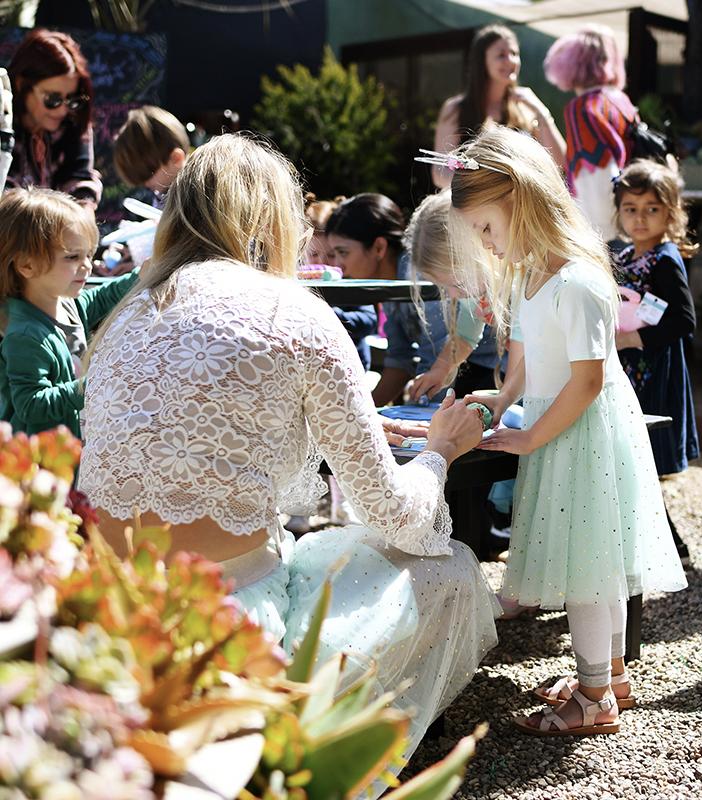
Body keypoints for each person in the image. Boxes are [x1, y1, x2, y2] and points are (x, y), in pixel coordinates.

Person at [78, 134, 499, 767]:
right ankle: (322, 752)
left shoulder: (123, 317)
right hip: (233, 623)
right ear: (271, 218)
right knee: (453, 568)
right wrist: (439, 450)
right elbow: (396, 515)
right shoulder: (295, 312)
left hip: (111, 613)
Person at [444, 126, 686, 735]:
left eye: (487, 229)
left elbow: (587, 381)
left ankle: (594, 697)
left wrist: (529, 436)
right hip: (561, 426)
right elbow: (528, 353)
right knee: (595, 562)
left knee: (585, 569)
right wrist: (504, 396)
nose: (485, 244)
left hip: (578, 433)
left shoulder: (577, 282)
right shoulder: (535, 275)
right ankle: (608, 675)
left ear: (521, 203)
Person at [326, 192, 497, 406]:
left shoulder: (423, 270)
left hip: (484, 372)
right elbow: (402, 356)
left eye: (343, 252)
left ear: (379, 247)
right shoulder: (388, 288)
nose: (338, 265)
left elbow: (436, 350)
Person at [613, 159, 699, 566]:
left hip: (653, 370)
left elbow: (684, 319)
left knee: (639, 456)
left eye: (651, 209)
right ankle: (657, 543)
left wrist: (634, 338)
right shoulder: (626, 254)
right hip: (630, 368)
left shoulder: (665, 259)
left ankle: (668, 546)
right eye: (631, 208)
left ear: (670, 213)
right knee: (631, 457)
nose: (640, 218)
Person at [0, 188, 138, 439]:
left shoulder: (67, 304)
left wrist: (142, 275)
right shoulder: (25, 335)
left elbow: (103, 296)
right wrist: (91, 386)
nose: (86, 265)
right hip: (41, 463)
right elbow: (31, 404)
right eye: (73, 256)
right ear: (26, 265)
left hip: (72, 444)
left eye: (89, 254)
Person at [432, 24, 565, 189]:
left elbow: (560, 164)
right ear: (482, 60)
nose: (511, 61)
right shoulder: (456, 109)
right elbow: (440, 173)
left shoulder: (526, 108)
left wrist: (542, 112)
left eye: (515, 54)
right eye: (501, 55)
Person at [405, 190, 503, 401]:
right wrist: (440, 371)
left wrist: (507, 398)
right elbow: (466, 335)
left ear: (481, 252)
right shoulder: (474, 283)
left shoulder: (523, 282)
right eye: (444, 287)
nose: (453, 295)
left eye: (456, 284)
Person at [543, 24, 637, 241]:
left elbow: (594, 174)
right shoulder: (622, 101)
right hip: (632, 224)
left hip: (605, 234)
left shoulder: (582, 108)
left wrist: (592, 238)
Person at [5, 29, 102, 211]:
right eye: (53, 99)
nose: (63, 110)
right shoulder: (4, 124)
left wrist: (83, 215)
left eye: (71, 99)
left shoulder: (75, 120)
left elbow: (79, 178)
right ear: (21, 84)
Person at [304, 193, 377, 371]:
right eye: (313, 254)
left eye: (331, 255)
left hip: (350, 365)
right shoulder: (300, 283)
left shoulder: (351, 279)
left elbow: (369, 320)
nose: (322, 262)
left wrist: (329, 315)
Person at [113, 105, 190, 200]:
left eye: (147, 173)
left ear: (176, 158)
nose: (146, 183)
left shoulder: (198, 198)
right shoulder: (163, 195)